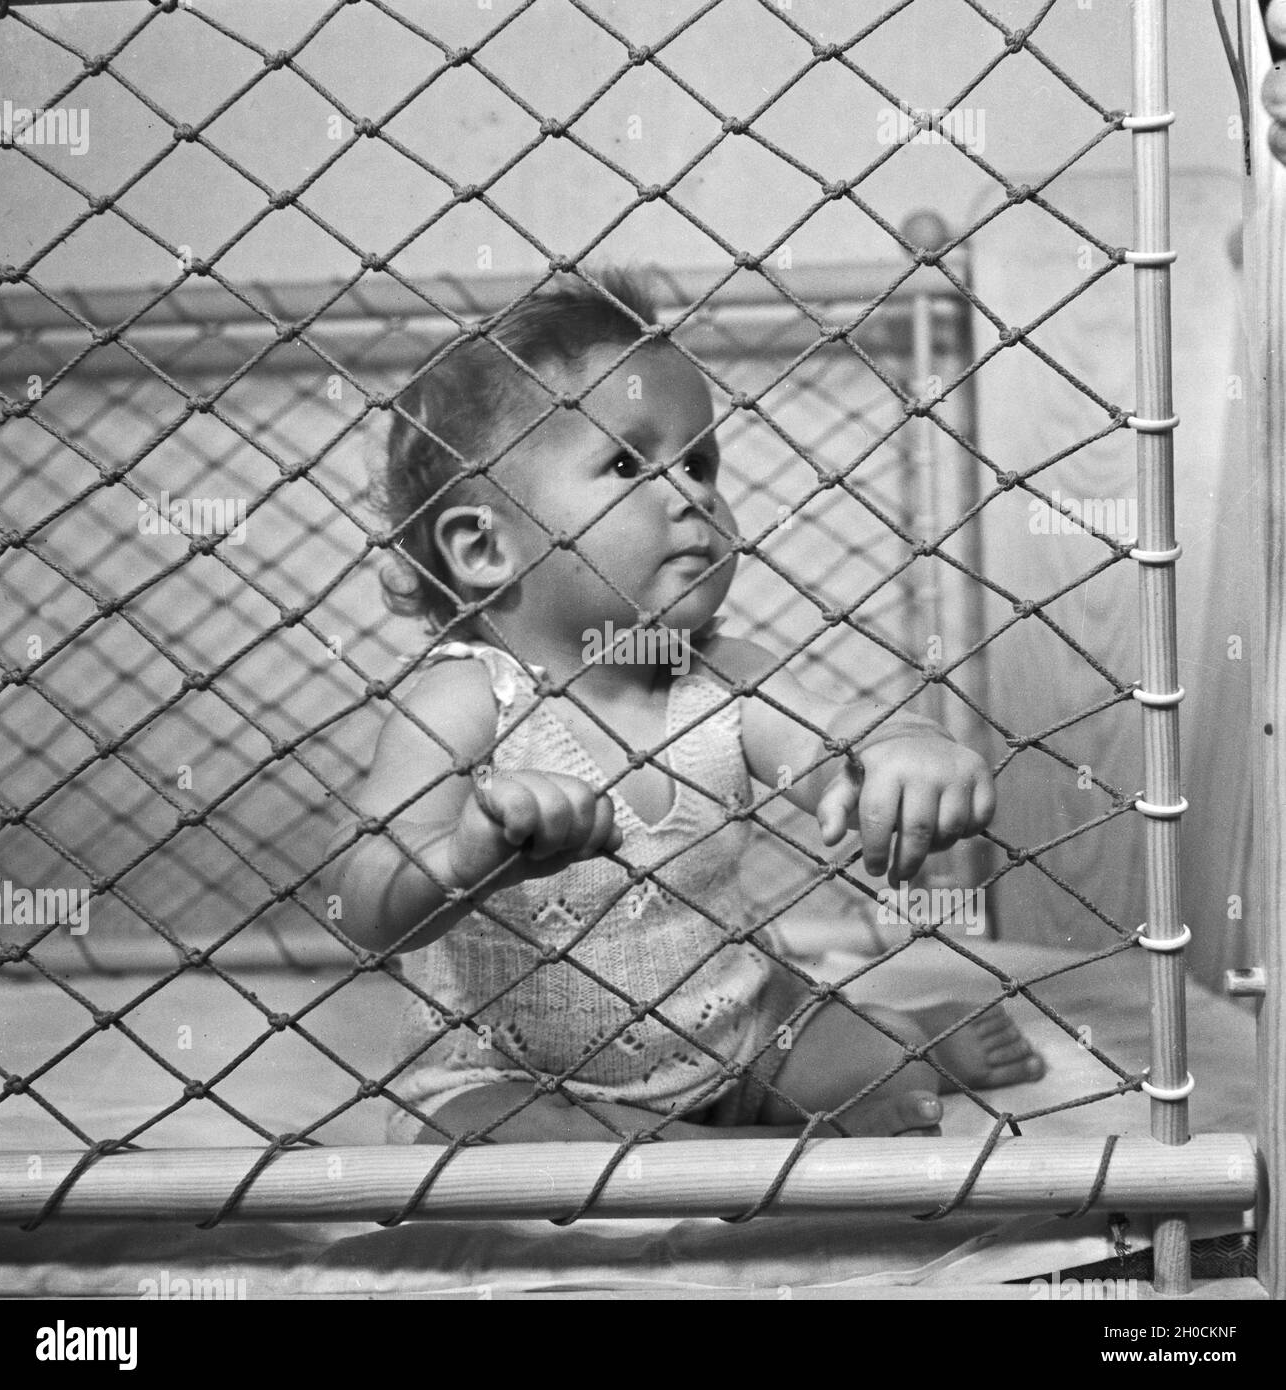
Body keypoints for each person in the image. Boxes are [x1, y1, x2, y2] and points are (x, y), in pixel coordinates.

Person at [328, 270, 1043, 1146]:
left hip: (743, 1036)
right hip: (513, 1073)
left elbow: (832, 750)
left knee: (855, 1060)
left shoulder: (719, 678)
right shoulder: (465, 700)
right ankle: (684, 1155)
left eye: (700, 462)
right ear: (483, 546)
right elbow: (363, 901)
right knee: (480, 1143)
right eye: (628, 462)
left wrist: (904, 750)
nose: (693, 494)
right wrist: (471, 856)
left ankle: (906, 1036)